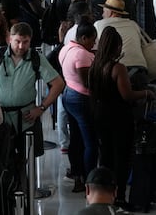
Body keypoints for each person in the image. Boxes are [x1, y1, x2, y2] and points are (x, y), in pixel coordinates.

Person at [0, 22, 64, 159]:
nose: (21, 46)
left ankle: (25, 181)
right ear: (9, 39)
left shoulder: (36, 58)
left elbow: (58, 84)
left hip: (26, 118)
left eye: (25, 42)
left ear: (30, 41)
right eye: (17, 41)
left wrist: (41, 108)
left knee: (27, 161)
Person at [90, 26, 154, 209]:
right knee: (122, 157)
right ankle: (119, 196)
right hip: (118, 116)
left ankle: (103, 194)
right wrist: (145, 93)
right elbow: (127, 95)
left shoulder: (95, 65)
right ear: (115, 47)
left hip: (100, 114)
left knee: (106, 156)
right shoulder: (118, 68)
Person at [59, 20, 97, 193]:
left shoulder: (67, 48)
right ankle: (90, 180)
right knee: (90, 143)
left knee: (76, 138)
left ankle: (77, 175)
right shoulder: (82, 55)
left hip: (68, 93)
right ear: (83, 38)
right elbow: (87, 82)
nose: (94, 43)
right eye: (92, 40)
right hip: (81, 98)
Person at [95, 0, 148, 86]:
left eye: (104, 12)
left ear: (111, 12)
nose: (102, 15)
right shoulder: (133, 24)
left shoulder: (99, 25)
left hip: (115, 71)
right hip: (139, 69)